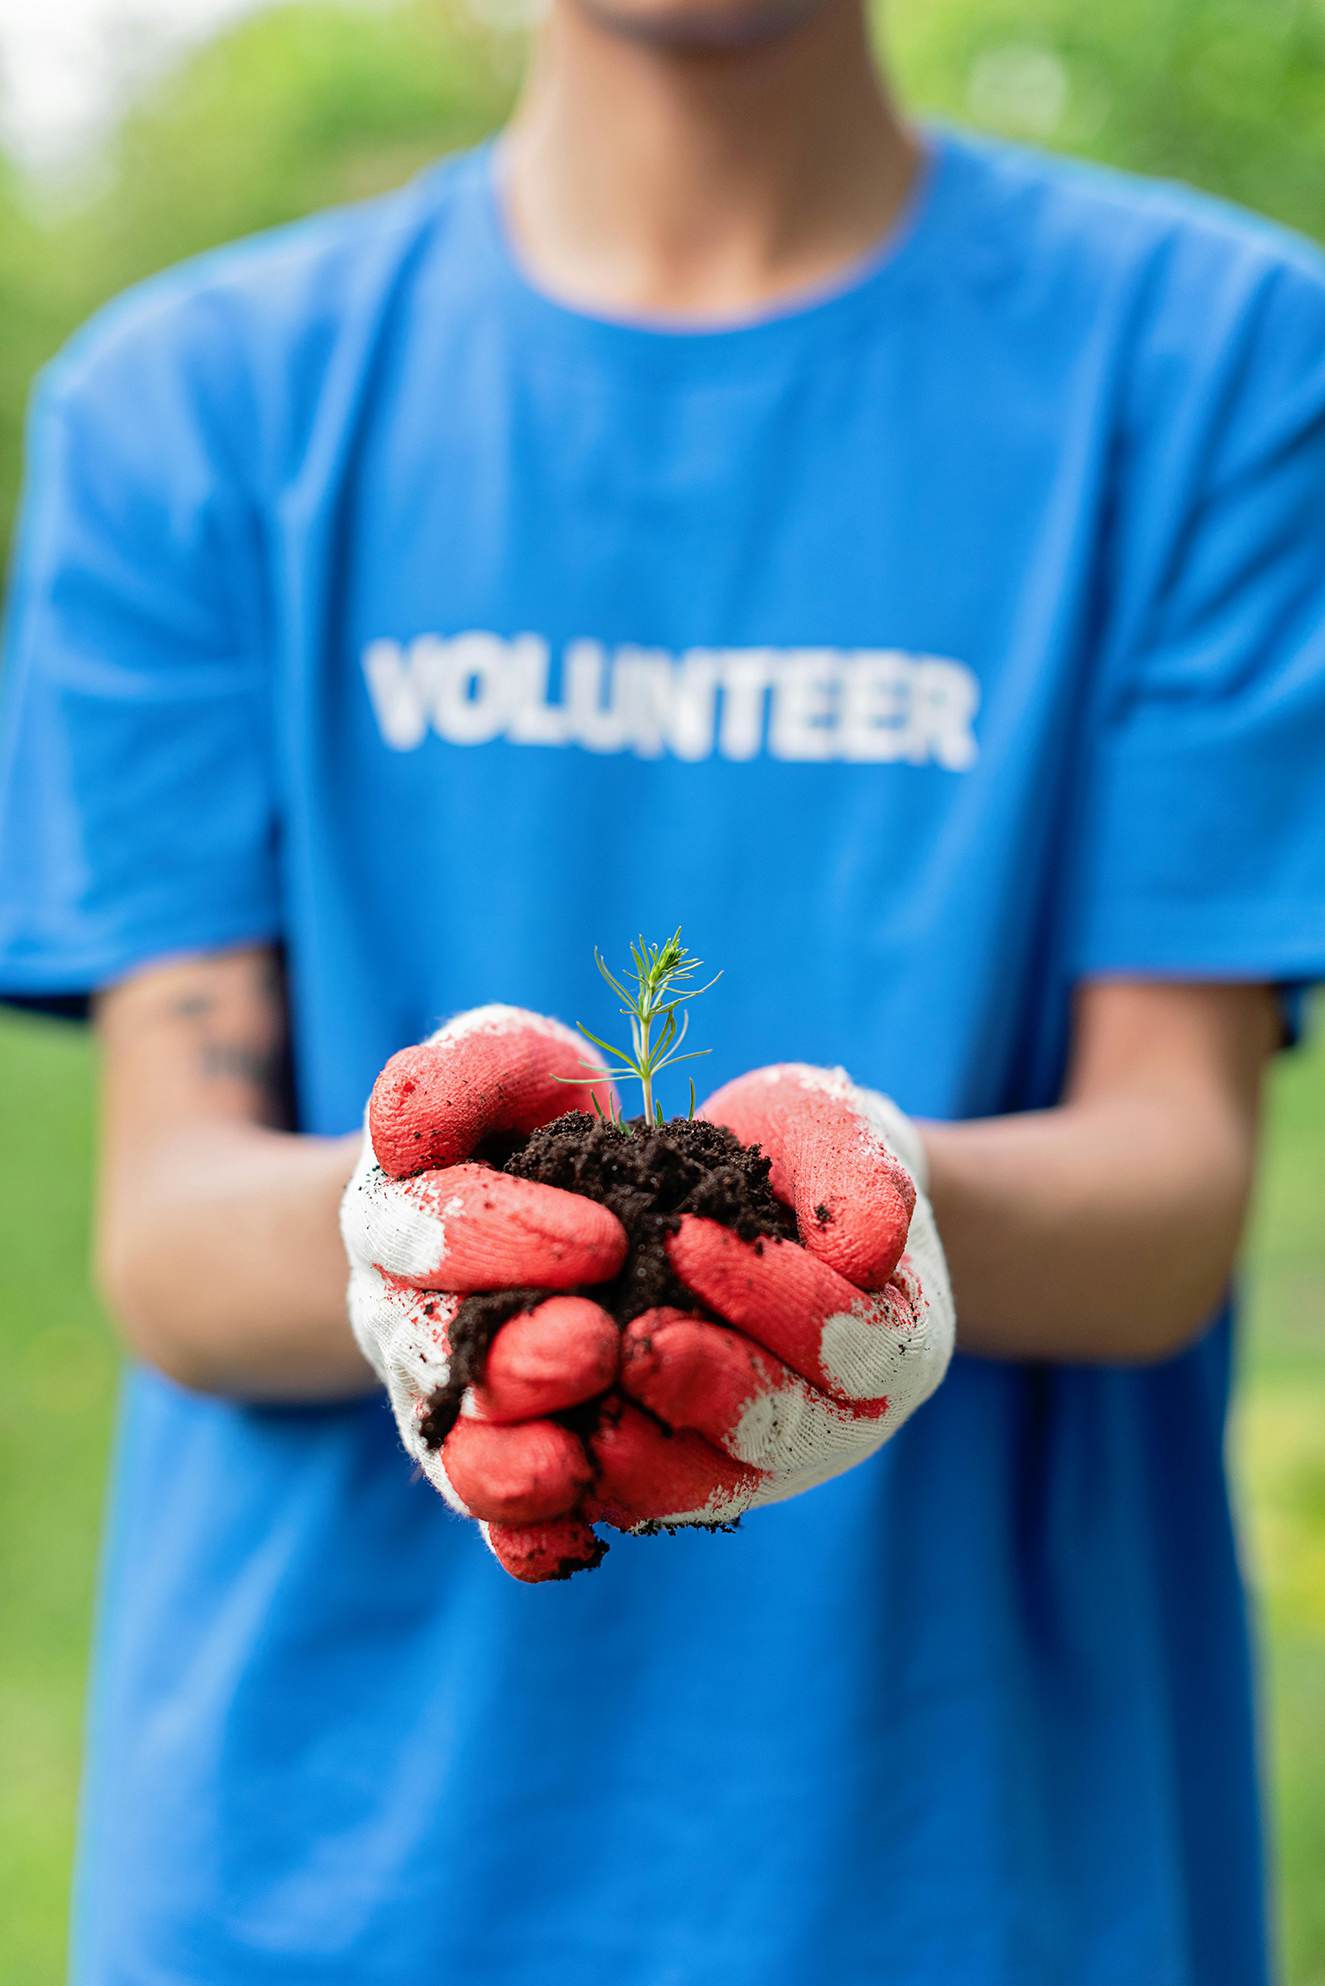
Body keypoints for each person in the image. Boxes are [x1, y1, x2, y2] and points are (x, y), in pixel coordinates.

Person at [1, 0, 1322, 1975]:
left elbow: (1171, 1193)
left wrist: (862, 1211)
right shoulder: (196, 409)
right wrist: (428, 1241)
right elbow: (171, 1233)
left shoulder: (1214, 361)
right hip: (325, 1884)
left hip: (976, 1870)